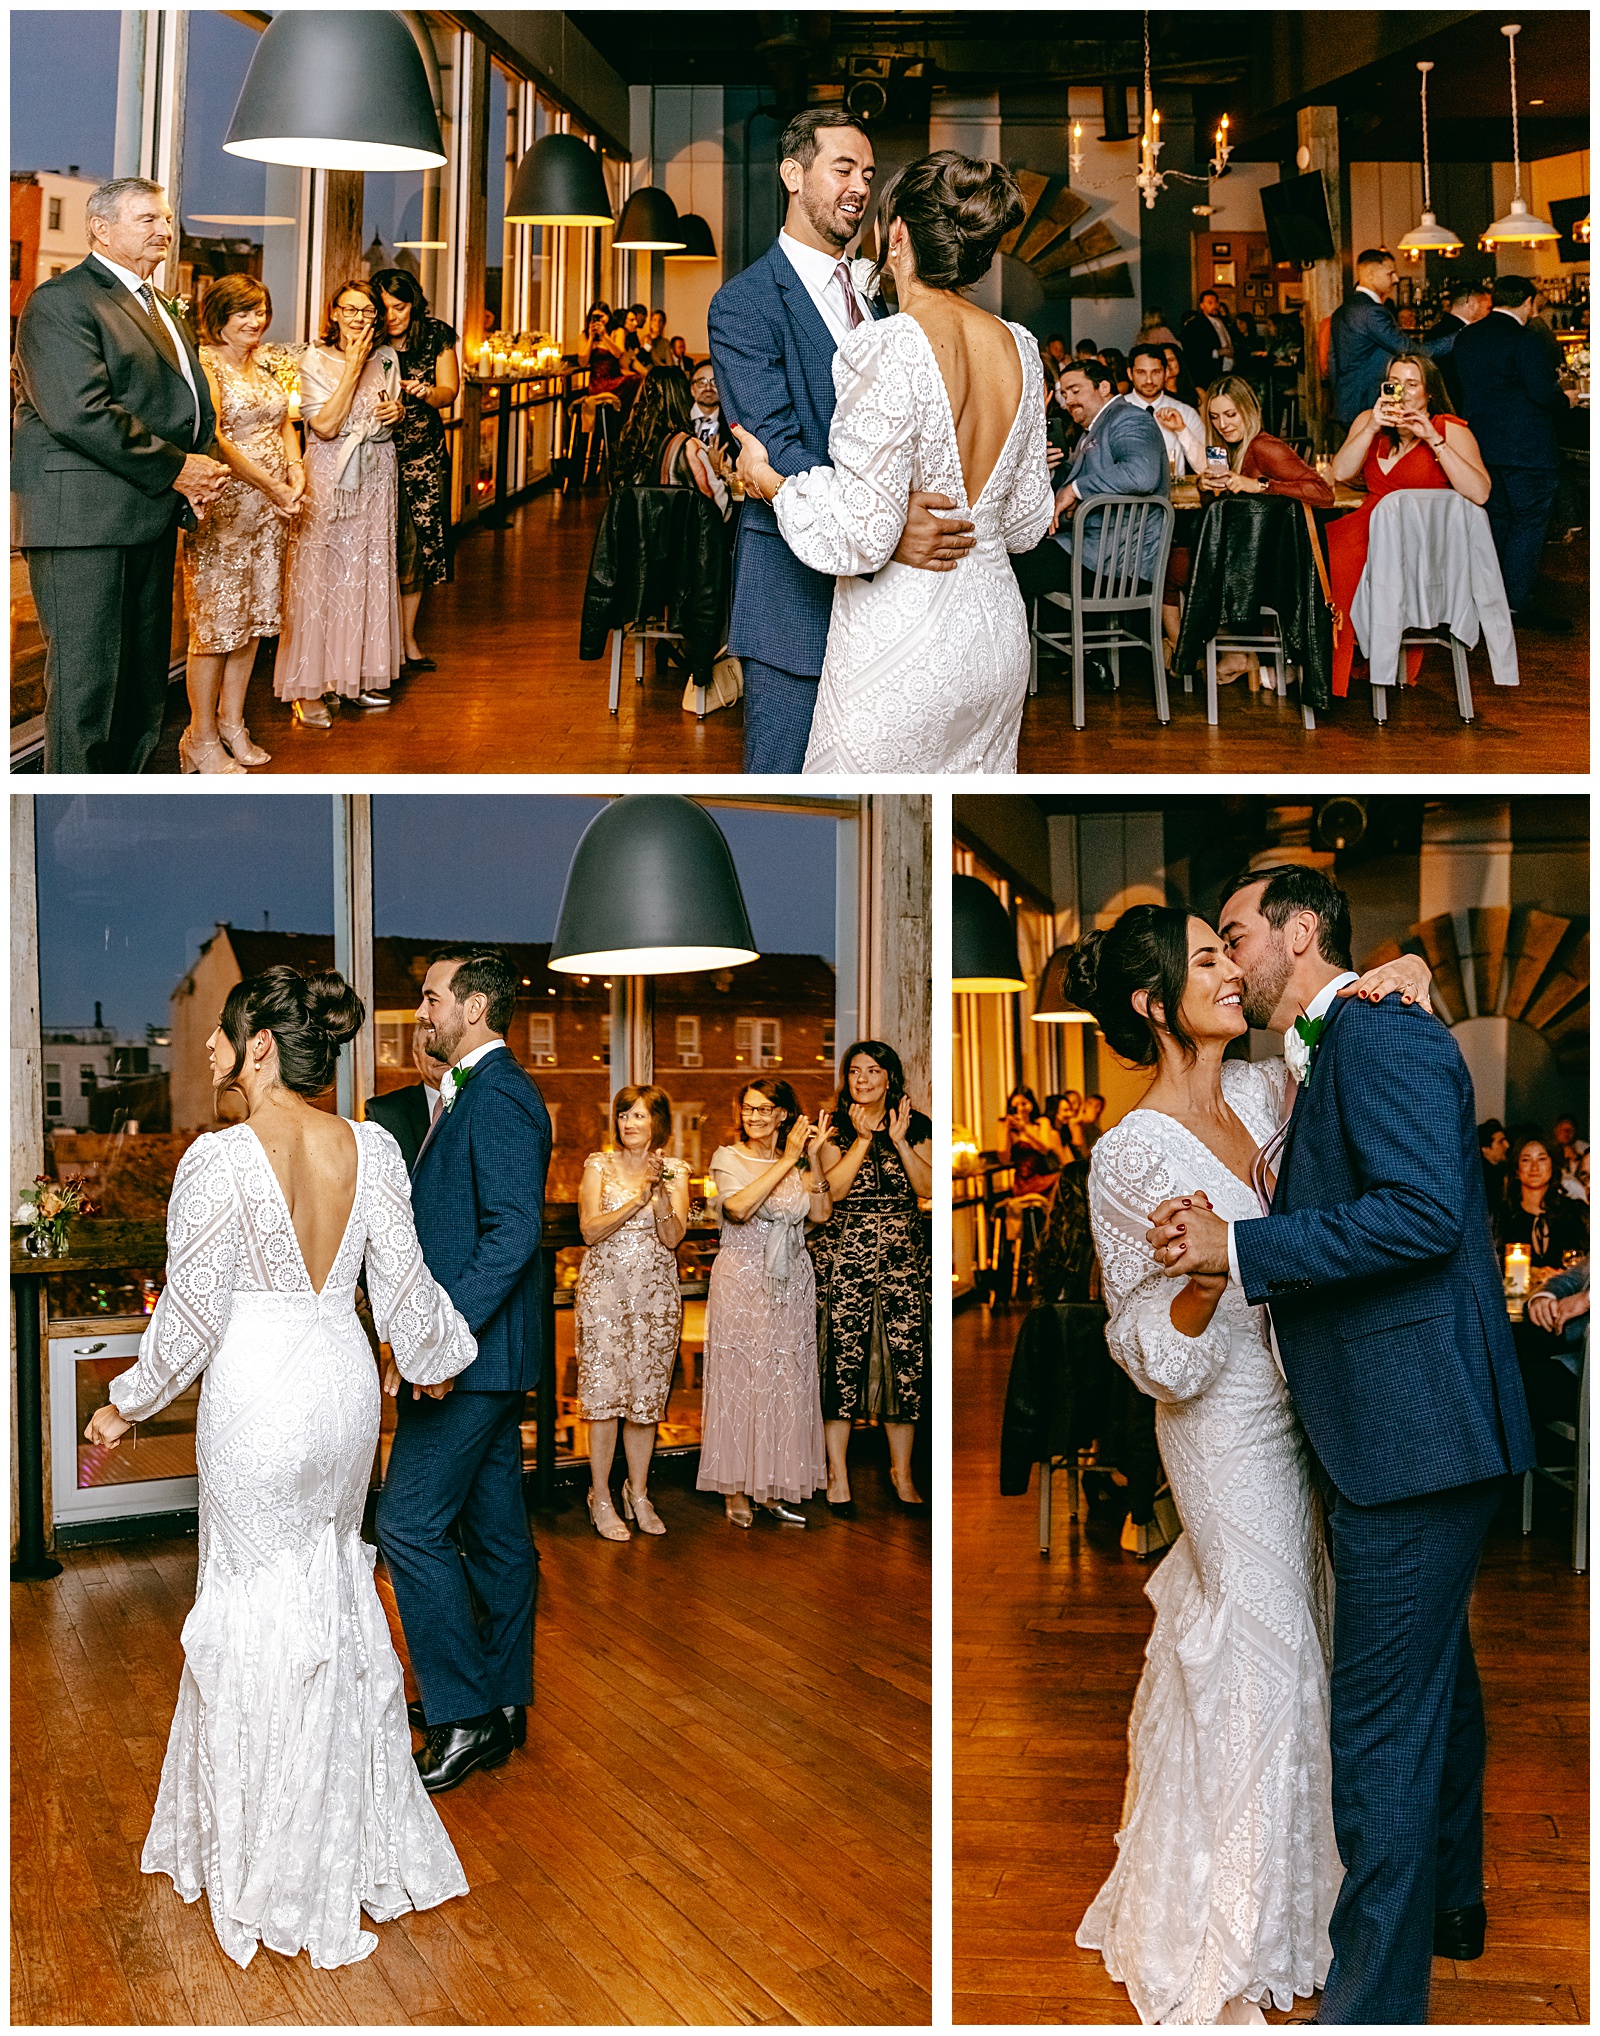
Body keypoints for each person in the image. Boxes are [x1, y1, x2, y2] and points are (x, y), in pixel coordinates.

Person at [1146, 863, 1535, 2024]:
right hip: (1404, 1430)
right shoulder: (1331, 1042)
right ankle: (1452, 1899)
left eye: (1235, 933)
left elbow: (1424, 1212)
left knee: (1377, 1731)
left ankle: (1373, 2007)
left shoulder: (1375, 1036)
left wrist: (1240, 1250)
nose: (1227, 956)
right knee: (1432, 1688)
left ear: (1300, 930)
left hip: (1409, 1433)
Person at [1068, 895, 1440, 2020]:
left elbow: (1336, 1028)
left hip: (1313, 1406)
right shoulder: (1126, 1156)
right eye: (1204, 959)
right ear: (1152, 1003)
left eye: (1226, 947)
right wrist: (1190, 1288)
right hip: (1220, 1424)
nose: (1232, 968)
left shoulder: (1258, 1086)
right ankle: (1237, 1921)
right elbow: (1139, 1352)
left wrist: (1410, 969)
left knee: (1311, 1643)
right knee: (1265, 1650)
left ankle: (1307, 1902)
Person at [83, 965, 476, 1968]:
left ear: (260, 1044)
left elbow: (191, 1316)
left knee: (255, 1601)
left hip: (259, 1393)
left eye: (221, 1036)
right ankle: (343, 1838)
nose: (208, 1051)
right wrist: (433, 1363)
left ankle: (270, 1853)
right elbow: (408, 1289)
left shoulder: (219, 1161)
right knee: (333, 1590)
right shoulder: (371, 1146)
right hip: (343, 1392)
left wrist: (123, 1404)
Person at [732, 149, 1050, 774]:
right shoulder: (1022, 348)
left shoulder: (886, 345)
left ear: (897, 232)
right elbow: (1026, 524)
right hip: (997, 643)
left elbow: (860, 536)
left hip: (908, 641)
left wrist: (770, 482)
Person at [708, 110, 978, 771]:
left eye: (867, 172)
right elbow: (777, 448)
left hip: (895, 604)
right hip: (794, 596)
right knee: (783, 775)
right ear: (793, 175)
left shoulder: (885, 298)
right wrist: (888, 527)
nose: (860, 185)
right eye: (843, 168)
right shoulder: (744, 305)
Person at [375, 948, 551, 1795]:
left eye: (432, 998)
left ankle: (463, 1714)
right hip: (481, 1356)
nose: (422, 1011)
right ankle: (503, 1701)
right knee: (495, 1536)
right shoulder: (471, 1093)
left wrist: (438, 1342)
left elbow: (514, 1234)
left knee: (407, 1526)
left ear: (475, 1007)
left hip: (469, 1359)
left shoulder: (504, 1096)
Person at [12, 175, 227, 773]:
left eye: (165, 219)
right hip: (83, 521)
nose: (165, 230)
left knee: (138, 684)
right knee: (87, 690)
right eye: (148, 219)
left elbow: (185, 403)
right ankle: (68, 822)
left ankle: (123, 803)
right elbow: (80, 411)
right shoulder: (61, 302)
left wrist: (192, 472)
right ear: (101, 230)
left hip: (147, 515)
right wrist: (179, 469)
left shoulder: (160, 306)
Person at [180, 272, 302, 774]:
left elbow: (286, 422)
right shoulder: (206, 365)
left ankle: (233, 723)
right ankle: (200, 737)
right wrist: (271, 486)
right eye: (244, 313)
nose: (256, 321)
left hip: (270, 515)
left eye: (260, 311)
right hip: (227, 505)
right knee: (214, 626)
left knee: (252, 621)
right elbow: (216, 438)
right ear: (219, 318)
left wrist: (295, 471)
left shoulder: (266, 362)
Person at [697, 1079, 831, 1525]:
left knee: (783, 1378)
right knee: (741, 1380)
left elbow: (821, 1215)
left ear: (782, 1115)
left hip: (792, 1279)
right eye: (747, 1109)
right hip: (742, 1278)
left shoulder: (792, 1164)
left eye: (763, 1109)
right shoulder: (727, 1157)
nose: (752, 1116)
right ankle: (735, 1488)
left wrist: (810, 1161)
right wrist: (790, 1159)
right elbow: (738, 1209)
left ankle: (771, 1484)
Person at [274, 279, 404, 728]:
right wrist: (351, 366)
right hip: (330, 474)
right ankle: (311, 687)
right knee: (322, 574)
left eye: (368, 312)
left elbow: (384, 412)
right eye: (350, 310)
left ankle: (355, 676)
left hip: (377, 471)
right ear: (333, 313)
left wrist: (397, 414)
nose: (359, 319)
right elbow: (325, 426)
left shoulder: (387, 359)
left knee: (365, 570)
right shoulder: (315, 358)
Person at [811, 1041, 933, 1511]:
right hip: (846, 1255)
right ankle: (837, 1473)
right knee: (841, 1359)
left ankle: (901, 1473)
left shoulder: (915, 1124)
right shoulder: (832, 1128)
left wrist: (898, 1140)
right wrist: (862, 1139)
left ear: (889, 1078)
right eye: (854, 1071)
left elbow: (927, 1188)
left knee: (903, 1361)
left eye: (873, 1071)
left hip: (903, 1256)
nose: (862, 1079)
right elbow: (834, 1190)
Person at [1326, 351, 1492, 695]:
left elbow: (1480, 493)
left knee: (1337, 560)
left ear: (1428, 392)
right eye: (1394, 384)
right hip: (1364, 530)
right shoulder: (1370, 423)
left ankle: (1340, 666)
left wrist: (1432, 437)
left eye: (1411, 384)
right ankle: (1325, 665)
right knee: (1314, 552)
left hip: (1419, 546)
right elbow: (1339, 473)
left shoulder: (1450, 429)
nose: (1401, 392)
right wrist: (1373, 424)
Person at [574, 1085, 691, 1541]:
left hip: (656, 1299)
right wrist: (636, 1200)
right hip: (605, 1296)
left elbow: (673, 1237)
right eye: (624, 1115)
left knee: (645, 1402)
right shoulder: (597, 1164)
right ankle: (600, 1496)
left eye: (639, 1116)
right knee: (603, 1400)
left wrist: (659, 1194)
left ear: (657, 1122)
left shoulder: (676, 1170)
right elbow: (589, 1230)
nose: (629, 1123)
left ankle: (638, 1493)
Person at [1011, 356, 1168, 685]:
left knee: (1006, 569)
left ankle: (1009, 675)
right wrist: (1054, 470)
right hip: (1093, 554)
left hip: (1113, 563)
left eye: (1075, 390)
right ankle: (1080, 657)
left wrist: (1075, 488)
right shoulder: (1091, 431)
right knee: (1012, 556)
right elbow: (1088, 481)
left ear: (1104, 387)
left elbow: (1142, 474)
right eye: (1063, 392)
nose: (1068, 400)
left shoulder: (1129, 419)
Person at [1449, 274, 1571, 627]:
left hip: (1482, 444)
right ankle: (1516, 602)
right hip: (1527, 447)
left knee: (1498, 521)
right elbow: (1540, 392)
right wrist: (1567, 398)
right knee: (1529, 523)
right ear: (1528, 302)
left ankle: (1492, 598)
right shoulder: (1526, 337)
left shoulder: (1468, 336)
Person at [371, 268, 460, 675]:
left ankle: (406, 639)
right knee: (379, 546)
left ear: (414, 304)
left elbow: (450, 391)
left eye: (400, 307)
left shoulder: (436, 335)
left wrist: (428, 393)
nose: (391, 316)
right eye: (384, 307)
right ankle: (376, 641)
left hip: (423, 457)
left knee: (420, 548)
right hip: (376, 455)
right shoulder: (368, 339)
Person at [1327, 247, 1456, 431]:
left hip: (1346, 403)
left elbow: (1333, 361)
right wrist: (1459, 338)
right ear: (1371, 275)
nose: (1396, 279)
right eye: (1391, 273)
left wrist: (1339, 397)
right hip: (1367, 403)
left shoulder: (1342, 310)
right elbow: (1408, 349)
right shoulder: (1372, 311)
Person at [614, 363, 730, 516]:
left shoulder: (632, 439)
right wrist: (716, 471)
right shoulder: (689, 447)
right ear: (684, 395)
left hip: (638, 534)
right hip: (679, 537)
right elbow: (716, 510)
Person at [1492, 1130, 1590, 1271]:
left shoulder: (1576, 1214)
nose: (1534, 1167)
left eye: (1542, 1159)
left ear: (1552, 1165)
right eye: (1526, 1160)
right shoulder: (1500, 1217)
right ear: (1516, 1170)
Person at [366, 1028, 451, 1173]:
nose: (439, 1054)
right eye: (430, 1046)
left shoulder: (480, 1101)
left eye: (445, 1045)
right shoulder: (383, 1113)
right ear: (416, 1057)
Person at [1125, 343, 1204, 474]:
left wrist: (1181, 430)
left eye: (1155, 372)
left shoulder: (1185, 412)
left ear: (1166, 372)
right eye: (1141, 372)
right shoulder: (1114, 411)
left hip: (1174, 492)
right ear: (1130, 373)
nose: (1149, 380)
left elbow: (1206, 468)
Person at [1426, 281, 1493, 411]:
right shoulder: (1469, 334)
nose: (1488, 313)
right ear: (1473, 304)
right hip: (1460, 406)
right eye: (1488, 307)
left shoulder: (1436, 331)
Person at [1180, 287, 1242, 385]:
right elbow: (1192, 349)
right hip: (1209, 374)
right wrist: (1218, 352)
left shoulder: (1224, 323)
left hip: (1229, 371)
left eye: (1216, 302)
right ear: (1202, 306)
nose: (1214, 305)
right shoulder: (1196, 325)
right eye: (1210, 303)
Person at [688, 357, 739, 462]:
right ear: (692, 390)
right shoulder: (678, 419)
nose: (708, 388)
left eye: (715, 382)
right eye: (702, 382)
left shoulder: (734, 423)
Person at [1479, 1118, 1511, 1207]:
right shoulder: (1483, 1178)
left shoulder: (1501, 1170)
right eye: (1500, 1142)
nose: (1507, 1145)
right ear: (1485, 1149)